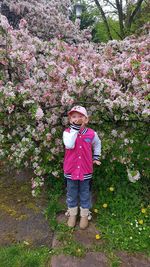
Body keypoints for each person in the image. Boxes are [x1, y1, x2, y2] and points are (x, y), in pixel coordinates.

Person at [63, 105, 101, 229]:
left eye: (80, 117)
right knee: (71, 192)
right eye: (74, 117)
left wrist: (96, 157)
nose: (77, 119)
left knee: (85, 192)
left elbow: (97, 144)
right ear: (70, 120)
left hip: (85, 169)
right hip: (71, 169)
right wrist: (75, 129)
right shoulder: (67, 133)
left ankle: (84, 214)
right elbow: (69, 144)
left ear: (86, 119)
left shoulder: (91, 134)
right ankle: (73, 214)